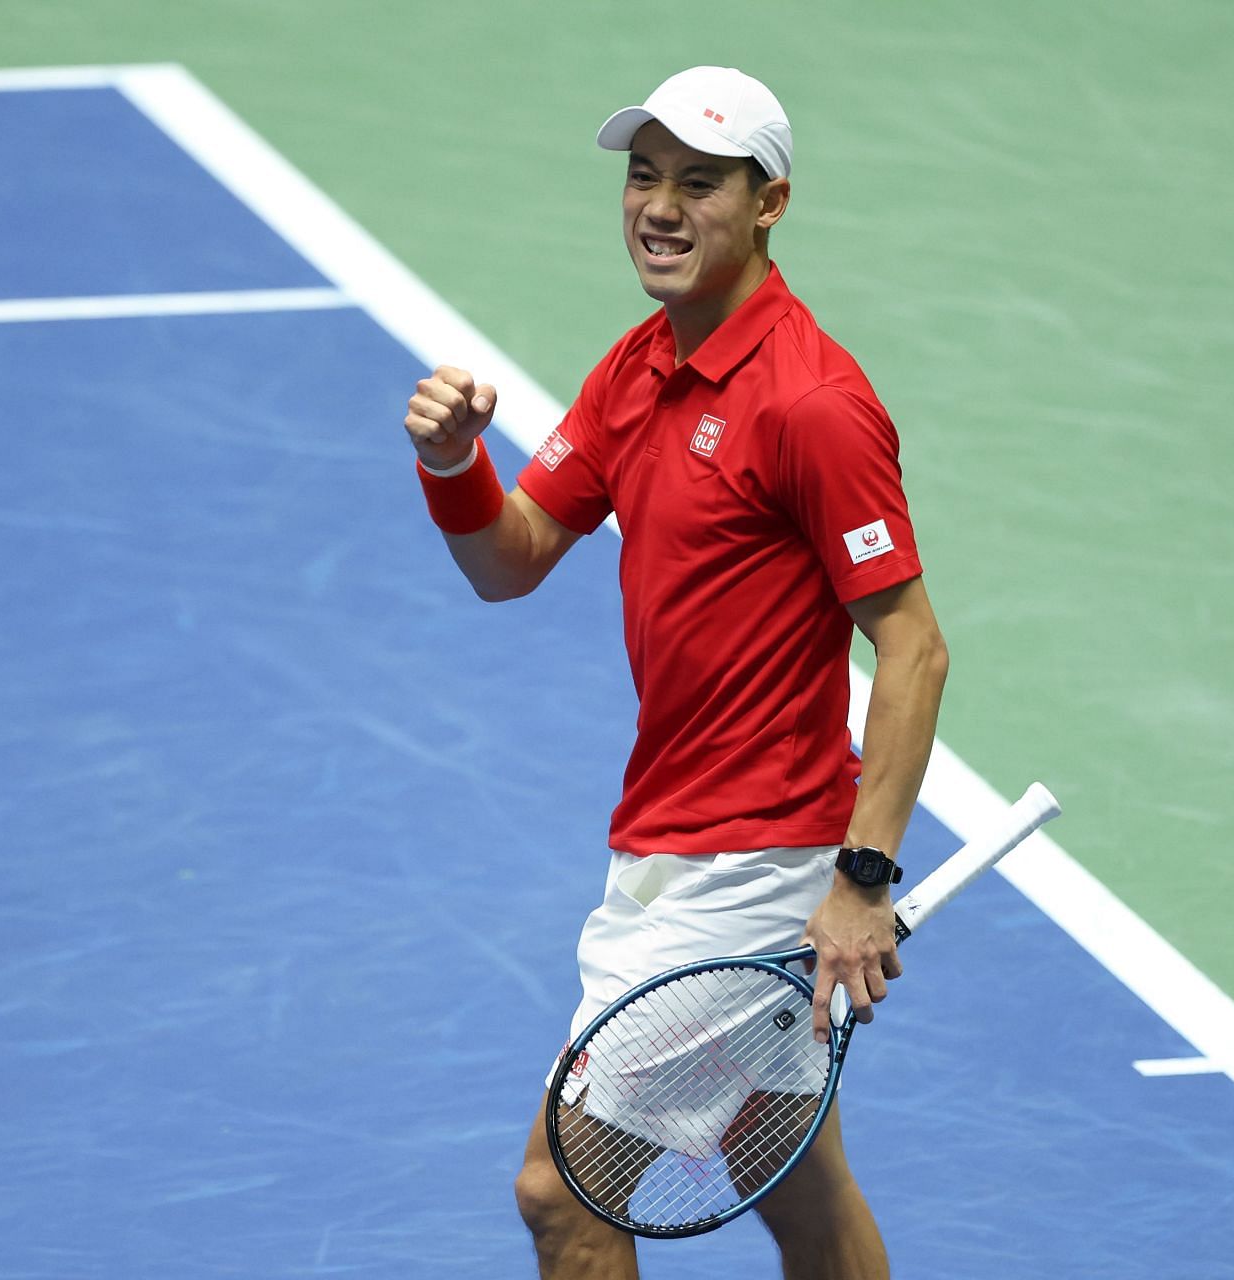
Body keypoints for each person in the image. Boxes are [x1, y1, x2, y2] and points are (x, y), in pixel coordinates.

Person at [403, 65, 947, 1280]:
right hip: (673, 834)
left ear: (770, 203)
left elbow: (913, 643)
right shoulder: (639, 364)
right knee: (795, 1176)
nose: (658, 205)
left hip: (751, 866)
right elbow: (515, 558)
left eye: (698, 182)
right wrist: (454, 466)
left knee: (563, 1189)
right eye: (644, 176)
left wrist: (862, 878)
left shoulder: (813, 403)